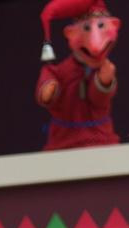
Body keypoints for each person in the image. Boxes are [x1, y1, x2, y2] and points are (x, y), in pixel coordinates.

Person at [36, 0, 120, 150]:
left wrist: (103, 82)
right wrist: (49, 89)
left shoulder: (104, 69)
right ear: (70, 33)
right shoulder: (63, 70)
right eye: (86, 28)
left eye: (101, 26)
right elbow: (50, 78)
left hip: (101, 140)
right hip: (64, 141)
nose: (94, 45)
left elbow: (98, 100)